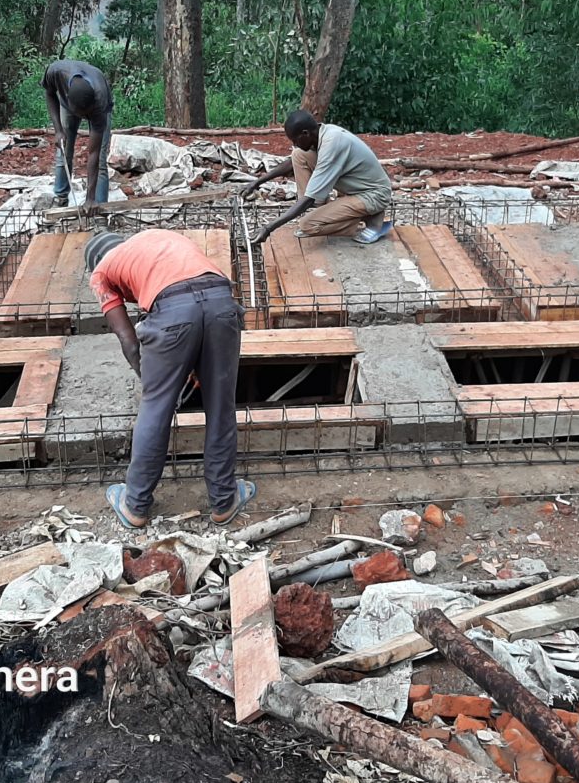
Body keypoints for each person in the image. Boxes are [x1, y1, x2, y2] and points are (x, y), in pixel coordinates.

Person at [86, 229, 256, 529]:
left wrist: (160, 383)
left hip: (173, 309)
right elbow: (197, 294)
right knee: (221, 406)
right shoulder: (157, 239)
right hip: (221, 301)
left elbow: (128, 341)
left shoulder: (101, 271)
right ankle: (224, 501)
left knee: (155, 408)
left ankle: (135, 505)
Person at [245, 110, 393, 246]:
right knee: (298, 155)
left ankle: (371, 220)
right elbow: (291, 163)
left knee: (307, 225)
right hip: (357, 190)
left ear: (305, 133)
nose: (294, 144)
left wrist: (268, 228)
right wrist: (257, 182)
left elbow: (308, 198)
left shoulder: (332, 144)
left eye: (295, 140)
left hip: (373, 195)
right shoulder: (322, 134)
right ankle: (324, 208)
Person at [42, 59, 113, 207]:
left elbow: (93, 152)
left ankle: (98, 206)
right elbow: (49, 94)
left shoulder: (100, 102)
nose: (83, 117)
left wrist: (89, 198)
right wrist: (58, 131)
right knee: (64, 148)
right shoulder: (55, 71)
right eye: (81, 113)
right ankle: (60, 198)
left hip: (98, 109)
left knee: (100, 159)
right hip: (68, 106)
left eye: (86, 113)